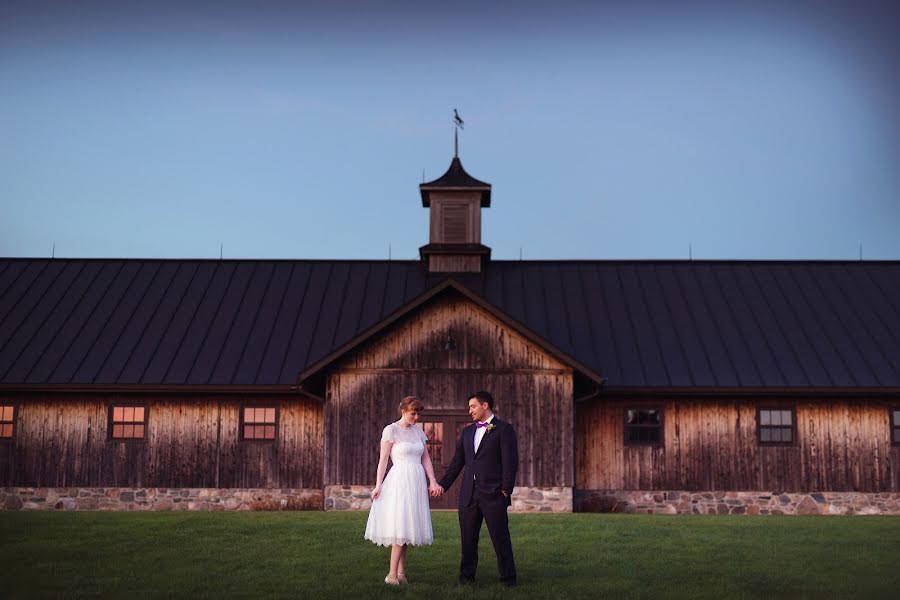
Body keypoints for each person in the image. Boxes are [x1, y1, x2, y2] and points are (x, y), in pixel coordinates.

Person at [435, 391, 519, 586]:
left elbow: (510, 462)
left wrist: (506, 490)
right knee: (468, 540)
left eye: (472, 406)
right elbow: (457, 463)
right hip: (468, 495)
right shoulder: (467, 432)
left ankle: (508, 579)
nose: (469, 410)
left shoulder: (504, 430)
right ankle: (466, 578)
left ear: (485, 405)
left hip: (494, 494)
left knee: (500, 538)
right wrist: (442, 485)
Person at [364, 396, 443, 585]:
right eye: (412, 414)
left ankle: (401, 573)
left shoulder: (418, 433)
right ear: (403, 411)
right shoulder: (390, 430)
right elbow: (383, 460)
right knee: (400, 527)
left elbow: (425, 459)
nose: (416, 417)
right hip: (399, 480)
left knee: (408, 528)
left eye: (418, 414)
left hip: (416, 481)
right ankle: (391, 575)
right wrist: (378, 485)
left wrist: (432, 481)